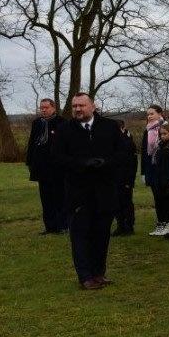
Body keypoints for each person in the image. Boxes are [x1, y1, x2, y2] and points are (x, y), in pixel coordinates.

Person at [53, 92, 124, 289]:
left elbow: (123, 153)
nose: (77, 109)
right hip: (78, 194)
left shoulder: (110, 127)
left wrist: (106, 163)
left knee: (102, 235)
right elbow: (57, 158)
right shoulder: (64, 130)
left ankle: (99, 273)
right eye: (75, 106)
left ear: (93, 106)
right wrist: (82, 164)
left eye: (81, 105)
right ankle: (85, 276)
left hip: (105, 192)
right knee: (80, 236)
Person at [26, 98, 66, 234]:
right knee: (46, 198)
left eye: (46, 107)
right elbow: (32, 143)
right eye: (41, 108)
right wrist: (29, 162)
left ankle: (62, 226)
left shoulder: (62, 123)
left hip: (57, 168)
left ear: (53, 108)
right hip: (41, 168)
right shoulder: (37, 123)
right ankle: (50, 226)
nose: (43, 110)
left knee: (59, 197)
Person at [141, 105, 169, 236]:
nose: (149, 116)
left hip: (163, 169)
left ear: (160, 113)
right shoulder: (147, 129)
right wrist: (143, 171)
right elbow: (144, 152)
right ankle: (160, 223)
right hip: (151, 169)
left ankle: (168, 223)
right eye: (148, 114)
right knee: (157, 197)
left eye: (152, 113)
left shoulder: (166, 127)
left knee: (165, 197)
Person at [112, 119, 138, 236]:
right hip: (114, 178)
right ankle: (120, 225)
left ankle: (129, 226)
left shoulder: (128, 142)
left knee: (126, 202)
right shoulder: (112, 142)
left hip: (125, 178)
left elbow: (132, 164)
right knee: (116, 203)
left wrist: (130, 181)